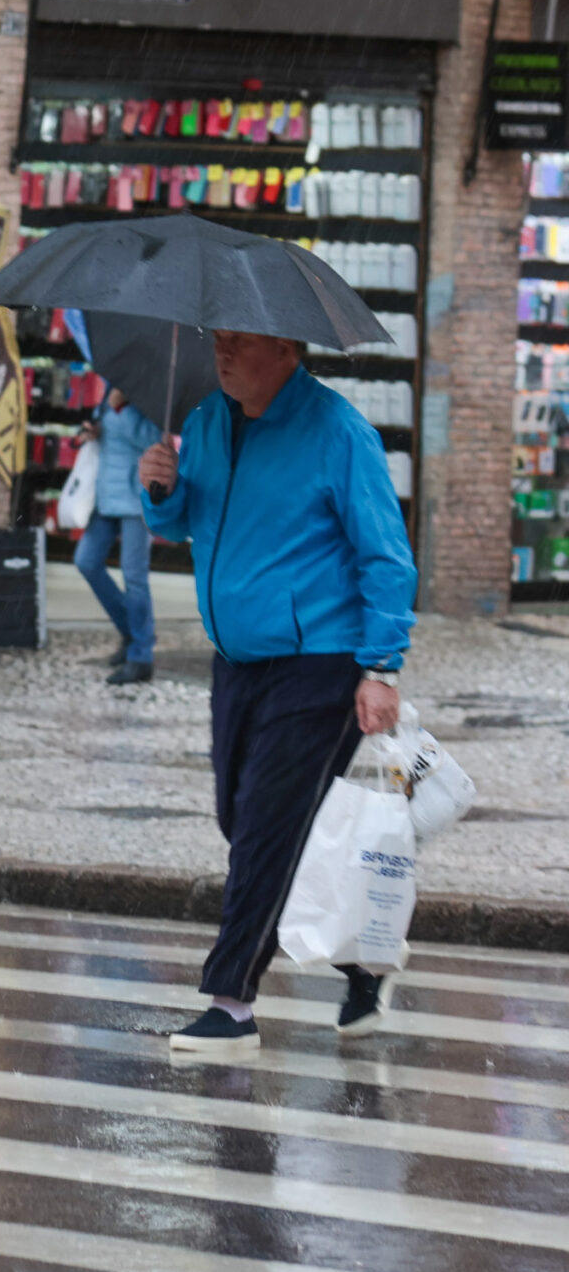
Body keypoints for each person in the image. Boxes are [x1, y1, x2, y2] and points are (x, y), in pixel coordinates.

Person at [139, 329, 416, 1056]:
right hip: (237, 659)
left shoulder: (338, 431)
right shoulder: (207, 421)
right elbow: (186, 521)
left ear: (287, 349)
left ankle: (231, 1004)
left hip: (320, 663)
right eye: (220, 340)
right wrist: (161, 490)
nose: (224, 354)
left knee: (266, 826)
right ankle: (364, 958)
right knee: (247, 819)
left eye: (242, 342)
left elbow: (387, 555)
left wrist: (381, 668)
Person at [77, 387, 161, 686]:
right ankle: (132, 630)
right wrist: (94, 429)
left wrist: (122, 410)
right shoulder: (111, 384)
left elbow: (153, 440)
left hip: (136, 498)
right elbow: (106, 429)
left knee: (134, 576)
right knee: (86, 561)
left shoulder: (150, 391)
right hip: (105, 494)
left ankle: (141, 656)